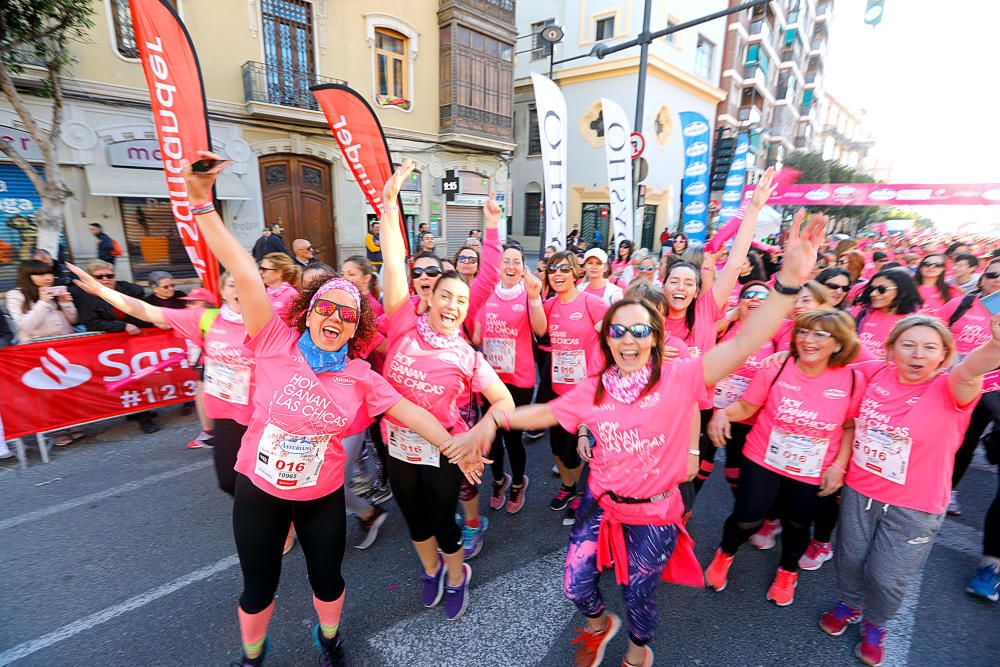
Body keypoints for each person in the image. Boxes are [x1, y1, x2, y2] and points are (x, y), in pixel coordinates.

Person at [459, 210, 826, 667]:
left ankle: (637, 650)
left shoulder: (680, 376)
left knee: (639, 594)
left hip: (654, 513)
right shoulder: (596, 386)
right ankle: (597, 625)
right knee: (575, 583)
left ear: (654, 339)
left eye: (639, 331)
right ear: (608, 339)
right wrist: (492, 421)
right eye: (618, 331)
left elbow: (745, 342)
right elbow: (544, 411)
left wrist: (789, 281)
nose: (628, 339)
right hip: (600, 502)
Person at [183, 152, 470, 665]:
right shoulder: (272, 340)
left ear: (356, 326)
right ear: (308, 313)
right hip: (260, 490)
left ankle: (331, 639)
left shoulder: (360, 376)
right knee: (258, 585)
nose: (335, 317)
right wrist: (202, 201)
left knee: (328, 578)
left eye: (347, 313)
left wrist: (458, 447)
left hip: (319, 498)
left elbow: (412, 413)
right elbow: (244, 272)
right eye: (326, 309)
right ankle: (253, 654)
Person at [819, 314, 1000, 667]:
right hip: (861, 490)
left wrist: (995, 345)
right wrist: (778, 355)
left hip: (916, 505)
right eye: (909, 345)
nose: (919, 354)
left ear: (945, 354)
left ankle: (877, 624)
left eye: (930, 347)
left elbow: (973, 367)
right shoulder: (874, 374)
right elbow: (832, 359)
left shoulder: (951, 386)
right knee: (850, 558)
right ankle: (851, 604)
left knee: (887, 575)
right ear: (891, 350)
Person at [379, 160, 514, 620]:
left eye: (461, 300)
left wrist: (477, 435)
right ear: (430, 297)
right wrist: (386, 204)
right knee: (414, 521)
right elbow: (394, 262)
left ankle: (457, 575)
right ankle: (431, 569)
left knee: (442, 521)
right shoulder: (401, 322)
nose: (452, 305)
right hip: (397, 446)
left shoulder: (467, 355)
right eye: (445, 297)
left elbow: (504, 402)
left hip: (445, 451)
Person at [705, 309, 861, 606]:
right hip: (764, 457)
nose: (807, 339)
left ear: (839, 343)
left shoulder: (852, 378)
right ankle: (725, 552)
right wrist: (723, 413)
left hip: (813, 467)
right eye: (803, 331)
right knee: (747, 518)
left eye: (819, 334)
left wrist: (839, 465)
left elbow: (850, 426)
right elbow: (748, 407)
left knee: (798, 523)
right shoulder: (776, 367)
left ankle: (788, 571)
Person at [473, 244, 547, 513]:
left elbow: (540, 329)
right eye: (507, 261)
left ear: (523, 267)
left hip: (520, 381)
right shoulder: (486, 296)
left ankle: (518, 482)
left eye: (517, 261)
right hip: (490, 380)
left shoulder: (528, 295)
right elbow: (477, 337)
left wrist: (536, 298)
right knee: (491, 436)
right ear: (499, 265)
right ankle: (498, 479)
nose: (511, 266)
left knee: (513, 438)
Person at [542, 250, 610, 523]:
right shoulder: (548, 305)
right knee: (557, 447)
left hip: (586, 392)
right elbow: (535, 330)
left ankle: (581, 491)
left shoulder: (592, 303)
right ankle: (568, 487)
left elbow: (616, 333)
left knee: (580, 448)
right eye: (553, 269)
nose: (558, 274)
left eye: (564, 269)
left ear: (575, 273)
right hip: (556, 389)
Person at [939, 257, 1000, 516]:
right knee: (938, 437)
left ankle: (948, 490)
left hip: (986, 389)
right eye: (992, 274)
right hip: (945, 382)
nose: (996, 280)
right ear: (982, 278)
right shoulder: (961, 304)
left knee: (966, 441)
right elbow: (936, 331)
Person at [852, 268, 922, 360]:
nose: (873, 294)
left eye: (882, 289)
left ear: (902, 291)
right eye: (871, 289)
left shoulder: (914, 324)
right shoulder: (862, 314)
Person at [6, 259, 78, 342]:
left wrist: (65, 303)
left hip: (67, 341)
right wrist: (43, 302)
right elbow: (25, 327)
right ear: (27, 276)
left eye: (49, 273)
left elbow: (74, 320)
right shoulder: (15, 295)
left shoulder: (56, 289)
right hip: (39, 346)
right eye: (41, 275)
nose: (48, 278)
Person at [257, 252, 300, 322]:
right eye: (260, 268)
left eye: (264, 269)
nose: (260, 272)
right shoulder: (261, 292)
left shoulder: (292, 295)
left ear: (279, 273)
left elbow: (296, 325)